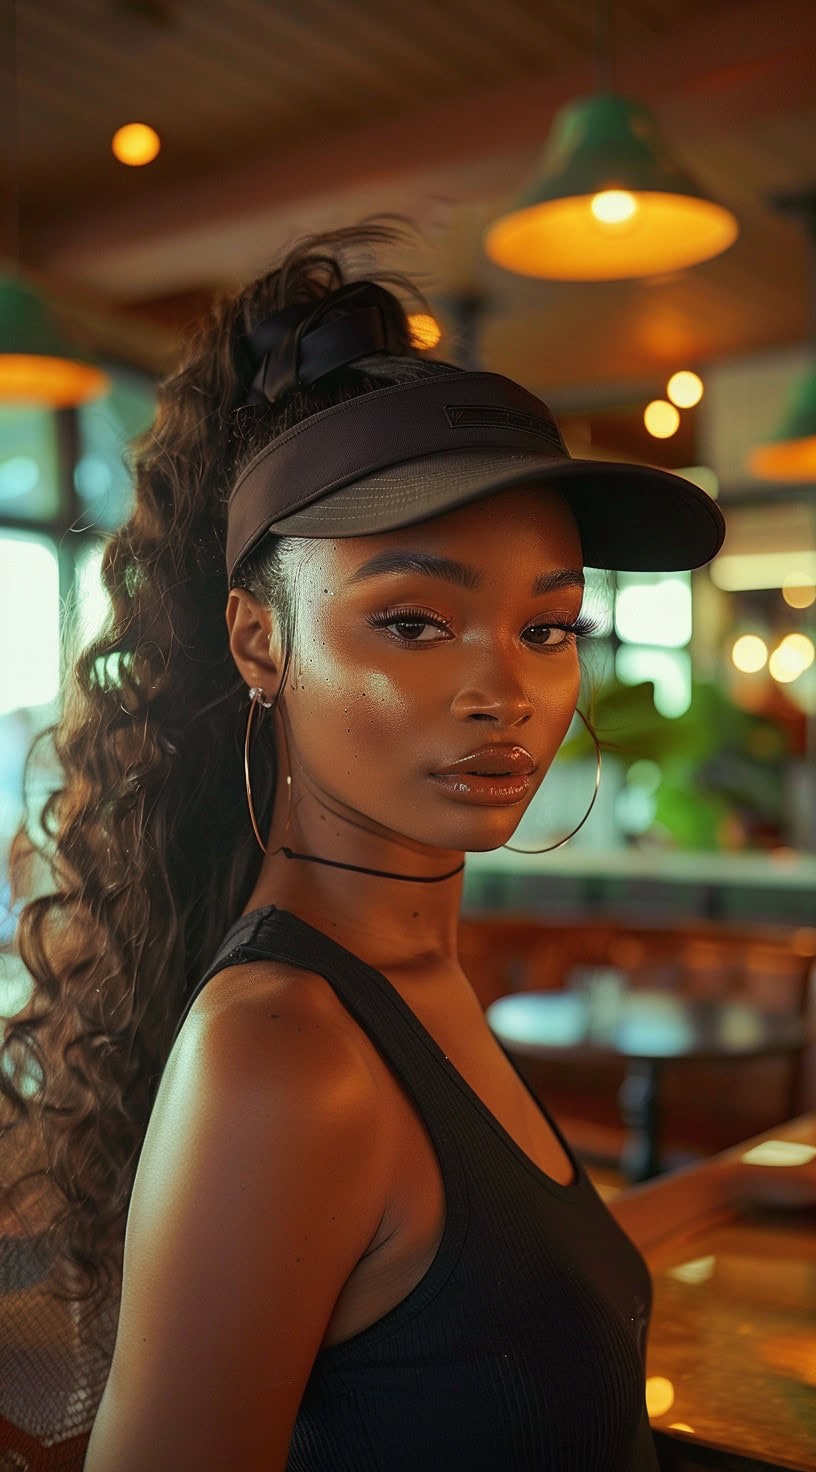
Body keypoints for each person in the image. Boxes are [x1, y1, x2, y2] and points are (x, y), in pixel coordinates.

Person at [1, 218, 724, 1471]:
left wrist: (734, 1188)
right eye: (412, 619)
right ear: (258, 641)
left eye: (547, 630)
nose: (501, 688)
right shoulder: (279, 1054)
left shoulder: (411, 968)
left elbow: (490, 1297)